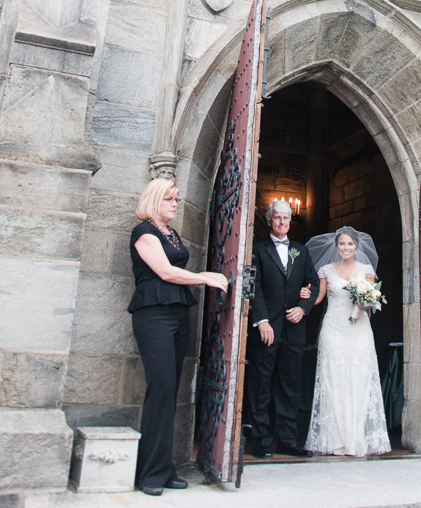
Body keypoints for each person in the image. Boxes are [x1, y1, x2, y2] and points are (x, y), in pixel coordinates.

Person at [129, 178, 228, 496]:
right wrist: (205, 278)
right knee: (161, 389)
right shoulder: (143, 232)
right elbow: (166, 272)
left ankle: (164, 466)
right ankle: (149, 475)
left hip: (176, 315)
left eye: (176, 198)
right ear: (154, 200)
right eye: (169, 199)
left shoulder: (171, 234)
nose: (175, 203)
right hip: (153, 315)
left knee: (171, 391)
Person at [303, 226, 391, 457]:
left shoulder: (366, 270)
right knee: (333, 381)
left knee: (359, 380)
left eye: (350, 244)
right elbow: (319, 298)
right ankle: (335, 441)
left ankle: (356, 438)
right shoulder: (325, 270)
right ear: (336, 246)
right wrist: (302, 296)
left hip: (359, 330)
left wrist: (367, 302)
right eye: (342, 244)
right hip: (333, 329)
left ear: (356, 247)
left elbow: (373, 299)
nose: (346, 248)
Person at [245, 200, 320, 458]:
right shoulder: (256, 249)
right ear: (269, 221)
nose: (282, 223)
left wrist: (303, 307)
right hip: (266, 329)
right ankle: (261, 440)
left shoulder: (301, 251)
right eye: (277, 218)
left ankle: (287, 439)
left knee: (290, 386)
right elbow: (253, 287)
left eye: (286, 219)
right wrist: (261, 321)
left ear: (290, 221)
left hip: (294, 331)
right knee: (261, 385)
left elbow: (314, 284)